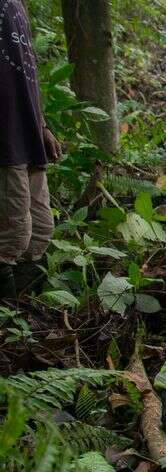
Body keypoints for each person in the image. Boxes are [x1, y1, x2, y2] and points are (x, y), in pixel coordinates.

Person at [1, 0, 62, 301]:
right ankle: (11, 328)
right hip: (5, 136)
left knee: (40, 231)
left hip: (28, 133)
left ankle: (26, 314)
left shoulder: (18, 5)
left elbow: (26, 73)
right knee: (13, 235)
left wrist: (43, 125)